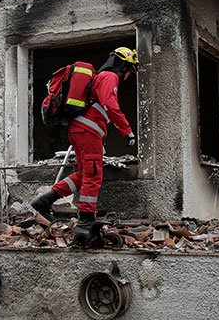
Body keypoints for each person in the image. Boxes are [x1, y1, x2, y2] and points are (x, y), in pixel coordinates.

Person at [31, 47, 139, 247]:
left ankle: (44, 201)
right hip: (88, 131)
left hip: (80, 129)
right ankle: (85, 223)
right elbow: (110, 104)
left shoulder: (99, 77)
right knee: (94, 174)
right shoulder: (109, 77)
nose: (129, 75)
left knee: (83, 174)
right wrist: (127, 131)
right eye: (130, 70)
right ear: (123, 65)